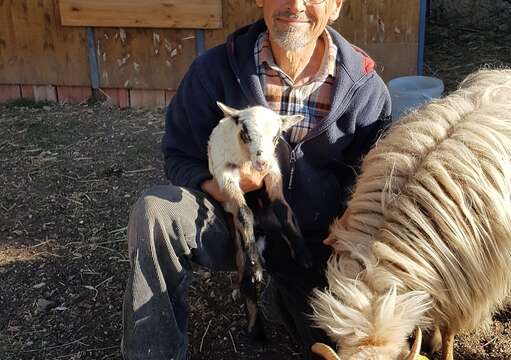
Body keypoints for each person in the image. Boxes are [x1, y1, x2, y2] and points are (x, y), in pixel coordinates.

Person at [121, 0, 392, 358]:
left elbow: (379, 177)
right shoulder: (214, 71)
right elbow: (179, 153)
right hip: (229, 223)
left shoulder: (365, 89)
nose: (294, 5)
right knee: (155, 213)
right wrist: (217, 186)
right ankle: (153, 351)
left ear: (336, 6)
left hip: (315, 243)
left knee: (336, 345)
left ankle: (283, 295)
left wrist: (352, 218)